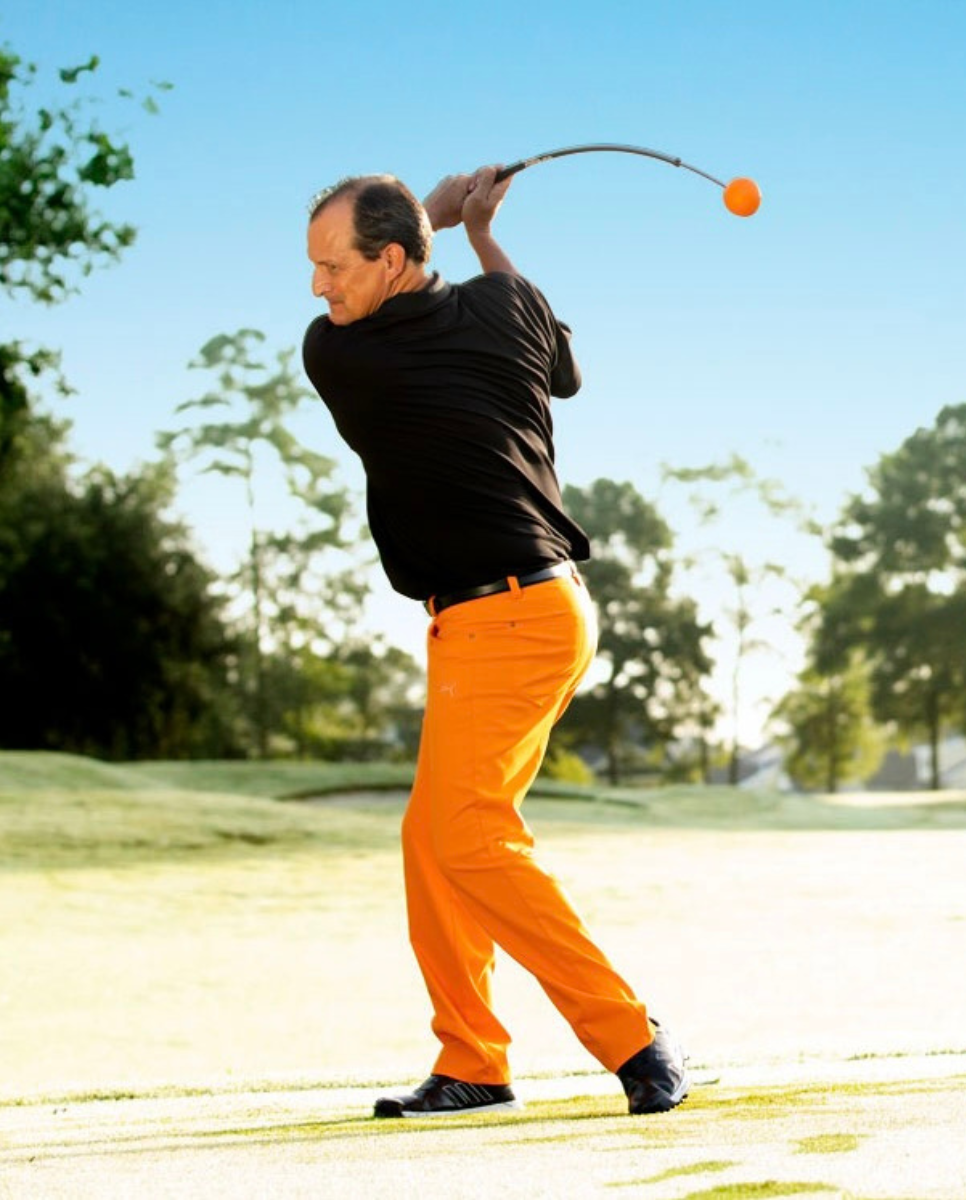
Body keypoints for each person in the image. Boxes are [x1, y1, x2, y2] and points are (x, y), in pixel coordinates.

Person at [301, 165, 688, 1118]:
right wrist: (477, 232)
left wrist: (441, 218)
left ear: (391, 259)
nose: (318, 288)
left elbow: (504, 338)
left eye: (331, 265)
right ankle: (472, 1057)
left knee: (467, 835)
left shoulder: (339, 354)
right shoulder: (505, 300)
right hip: (526, 613)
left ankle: (632, 1040)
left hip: (508, 617)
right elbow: (563, 368)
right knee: (432, 837)